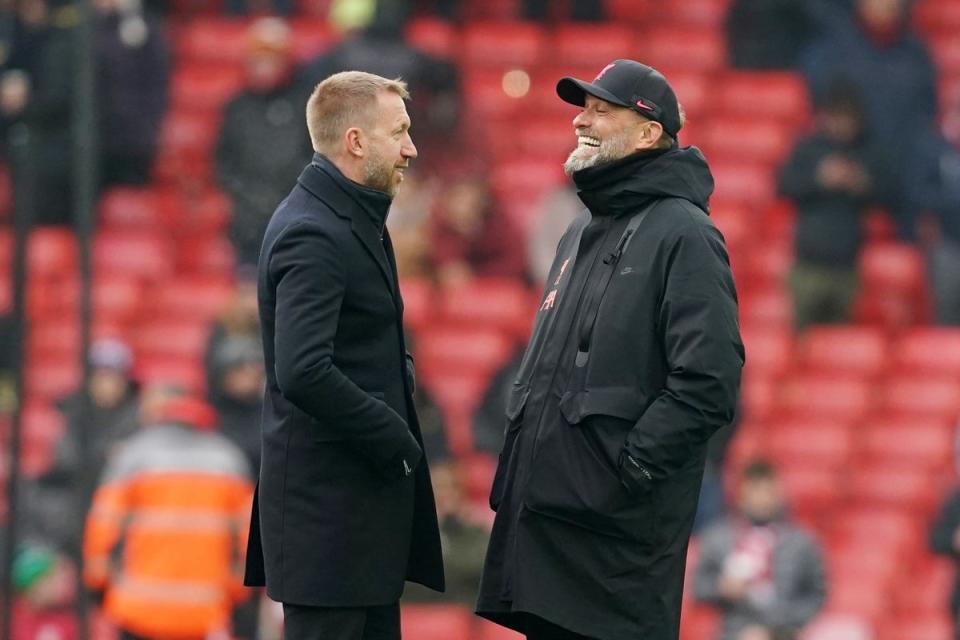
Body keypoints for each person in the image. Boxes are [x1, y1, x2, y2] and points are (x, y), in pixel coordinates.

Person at [475, 59, 744, 640]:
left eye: (602, 110)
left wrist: (629, 466)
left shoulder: (686, 234)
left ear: (650, 133)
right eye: (582, 108)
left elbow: (709, 381)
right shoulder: (579, 229)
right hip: (550, 534)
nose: (581, 121)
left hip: (614, 550)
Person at [243, 71, 444, 640]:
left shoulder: (348, 217)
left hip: (354, 524)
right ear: (356, 142)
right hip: (327, 525)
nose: (411, 147)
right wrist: (394, 437)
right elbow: (303, 370)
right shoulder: (314, 230)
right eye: (399, 131)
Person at [83, 395, 255, 640]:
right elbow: (247, 537)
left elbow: (103, 524)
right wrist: (236, 592)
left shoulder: (133, 455)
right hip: (203, 610)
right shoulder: (229, 460)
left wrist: (98, 582)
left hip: (137, 607)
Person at [800, 0, 937, 240]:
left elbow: (927, 112)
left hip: (904, 166)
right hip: (854, 163)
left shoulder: (916, 54)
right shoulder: (837, 51)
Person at [777, 80, 880, 331]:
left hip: (846, 266)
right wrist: (820, 179)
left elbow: (890, 193)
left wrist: (860, 183)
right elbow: (783, 185)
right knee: (800, 342)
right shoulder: (808, 148)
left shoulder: (867, 149)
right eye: (838, 117)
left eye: (849, 118)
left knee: (839, 347)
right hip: (809, 264)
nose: (843, 125)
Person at [215, 18, 313, 265]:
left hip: (297, 220)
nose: (263, 67)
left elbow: (316, 159)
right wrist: (250, 196)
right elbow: (223, 164)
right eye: (258, 60)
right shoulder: (236, 107)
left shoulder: (307, 105)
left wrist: (288, 194)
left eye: (271, 60)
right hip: (249, 226)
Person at [693, 460, 827, 640]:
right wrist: (722, 587)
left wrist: (780, 627)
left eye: (768, 492)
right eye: (755, 492)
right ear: (741, 496)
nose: (762, 500)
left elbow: (817, 595)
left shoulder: (801, 542)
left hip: (785, 632)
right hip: (734, 631)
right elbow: (698, 587)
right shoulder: (719, 538)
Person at [907, 89, 960, 325]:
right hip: (947, 244)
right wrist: (953, 200)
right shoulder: (931, 146)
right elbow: (918, 192)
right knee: (947, 313)